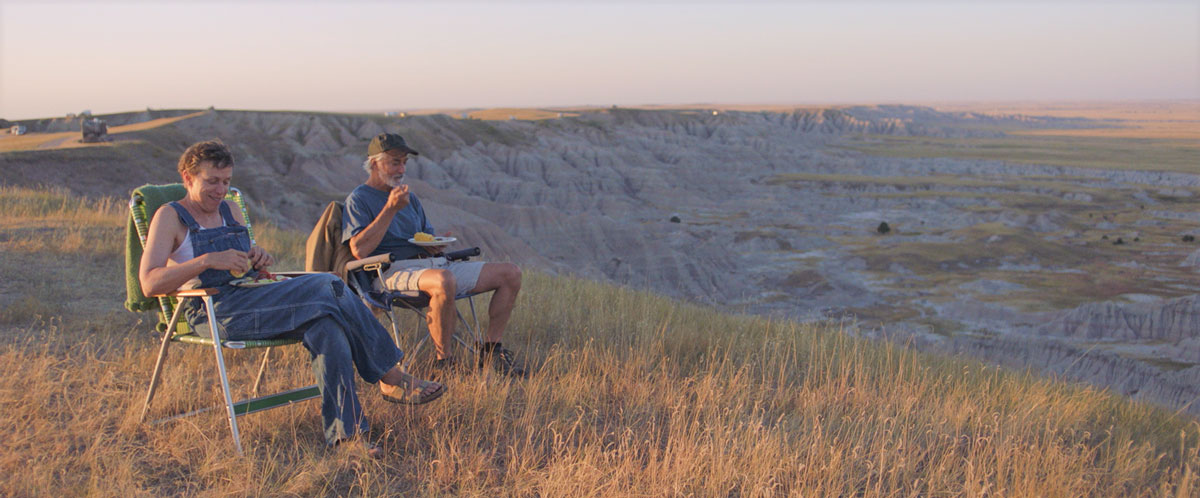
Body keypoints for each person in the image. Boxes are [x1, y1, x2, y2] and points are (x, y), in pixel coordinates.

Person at [139, 139, 443, 456]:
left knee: (327, 326)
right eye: (212, 182)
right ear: (188, 178)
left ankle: (346, 439)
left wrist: (255, 259)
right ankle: (390, 374)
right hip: (214, 310)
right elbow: (149, 283)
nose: (221, 190)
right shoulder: (170, 217)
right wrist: (205, 261)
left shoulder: (229, 209)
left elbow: (243, 266)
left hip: (252, 297)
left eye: (227, 181)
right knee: (328, 284)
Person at [343, 133, 525, 377]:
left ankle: (491, 352)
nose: (401, 168)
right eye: (395, 162)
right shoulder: (359, 199)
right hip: (389, 271)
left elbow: (423, 236)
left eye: (404, 162)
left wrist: (434, 244)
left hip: (432, 264)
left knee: (510, 273)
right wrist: (389, 209)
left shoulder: (411, 198)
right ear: (374, 163)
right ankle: (444, 364)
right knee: (443, 280)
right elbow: (359, 250)